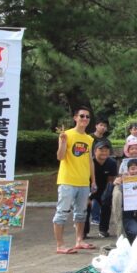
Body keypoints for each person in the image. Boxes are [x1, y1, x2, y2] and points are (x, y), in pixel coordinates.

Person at [53, 106, 96, 254]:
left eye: (87, 117)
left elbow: (90, 160)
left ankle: (79, 240)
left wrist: (93, 180)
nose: (85, 119)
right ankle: (60, 244)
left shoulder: (89, 139)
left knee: (81, 213)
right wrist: (63, 142)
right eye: (82, 116)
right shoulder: (66, 135)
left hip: (83, 182)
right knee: (62, 212)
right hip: (67, 181)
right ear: (75, 118)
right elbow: (60, 157)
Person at [84, 141, 117, 239]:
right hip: (88, 188)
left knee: (106, 205)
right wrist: (87, 196)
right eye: (101, 150)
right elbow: (85, 179)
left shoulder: (112, 162)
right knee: (85, 207)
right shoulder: (89, 162)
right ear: (94, 151)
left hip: (104, 189)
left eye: (106, 150)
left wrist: (107, 194)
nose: (104, 152)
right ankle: (84, 232)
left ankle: (103, 230)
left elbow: (110, 180)